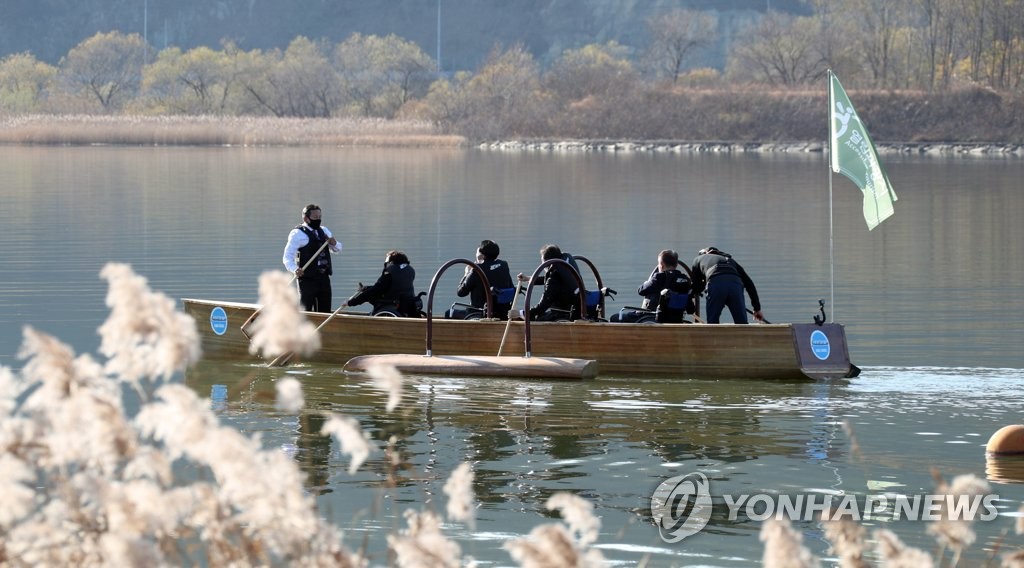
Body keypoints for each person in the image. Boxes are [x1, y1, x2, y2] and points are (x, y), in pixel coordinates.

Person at [282, 203, 342, 313]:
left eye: (320, 217)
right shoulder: (297, 234)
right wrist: (295, 269)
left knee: (325, 311)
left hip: (324, 278)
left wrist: (334, 243)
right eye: (315, 217)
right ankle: (302, 329)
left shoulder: (324, 230)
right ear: (306, 218)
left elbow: (338, 249)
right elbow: (287, 257)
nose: (318, 220)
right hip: (307, 279)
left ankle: (322, 329)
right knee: (305, 311)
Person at [612, 249, 692, 323]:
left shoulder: (658, 278)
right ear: (676, 265)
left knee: (615, 317)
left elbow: (641, 290)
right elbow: (690, 308)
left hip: (652, 317)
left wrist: (648, 281)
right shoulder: (685, 280)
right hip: (676, 319)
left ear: (662, 265)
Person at [690, 246, 763, 324]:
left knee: (712, 324)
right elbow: (749, 284)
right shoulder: (731, 261)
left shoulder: (698, 259)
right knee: (742, 324)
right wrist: (756, 308)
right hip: (736, 286)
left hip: (715, 284)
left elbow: (696, 286)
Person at [341, 250, 419, 317]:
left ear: (390, 262)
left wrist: (350, 302)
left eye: (385, 264)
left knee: (370, 295)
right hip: (408, 302)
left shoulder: (390, 272)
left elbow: (375, 291)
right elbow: (391, 287)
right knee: (369, 292)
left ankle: (375, 315)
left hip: (392, 303)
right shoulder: (410, 270)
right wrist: (367, 288)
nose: (385, 266)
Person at [452, 239, 514, 319]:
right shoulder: (504, 265)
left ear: (482, 255)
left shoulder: (477, 269)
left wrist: (467, 273)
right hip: (503, 314)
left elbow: (461, 292)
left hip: (480, 314)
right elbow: (510, 287)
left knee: (449, 313)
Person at [518, 244, 580, 321]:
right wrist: (528, 278)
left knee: (535, 317)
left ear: (547, 263)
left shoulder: (554, 275)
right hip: (577, 307)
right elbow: (555, 280)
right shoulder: (565, 262)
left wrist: (522, 313)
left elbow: (543, 305)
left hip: (563, 313)